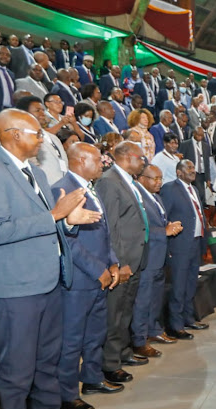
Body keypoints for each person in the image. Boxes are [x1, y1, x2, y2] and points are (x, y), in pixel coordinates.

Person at [0, 109, 101, 409]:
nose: (43, 140)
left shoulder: (38, 173)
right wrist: (55, 215)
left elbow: (49, 225)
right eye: (37, 134)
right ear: (13, 135)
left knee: (47, 356)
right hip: (17, 287)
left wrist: (69, 222)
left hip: (49, 279)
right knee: (17, 365)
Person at [51, 142, 124, 409]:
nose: (103, 162)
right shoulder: (62, 188)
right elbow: (68, 242)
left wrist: (113, 261)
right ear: (81, 160)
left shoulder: (91, 188)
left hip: (99, 278)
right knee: (72, 340)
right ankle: (67, 394)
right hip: (79, 280)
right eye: (97, 158)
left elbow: (103, 233)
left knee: (95, 333)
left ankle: (92, 379)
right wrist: (98, 269)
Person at [94, 141, 150, 385]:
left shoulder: (129, 180)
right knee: (115, 315)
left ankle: (123, 353)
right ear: (127, 156)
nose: (144, 162)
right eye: (141, 158)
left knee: (125, 311)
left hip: (136, 258)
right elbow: (111, 226)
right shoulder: (109, 181)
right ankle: (110, 364)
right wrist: (119, 261)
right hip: (124, 260)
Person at [132, 164, 183, 352]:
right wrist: (164, 231)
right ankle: (139, 339)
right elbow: (138, 228)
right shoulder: (138, 198)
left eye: (161, 178)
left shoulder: (157, 198)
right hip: (147, 257)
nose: (159, 182)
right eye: (155, 178)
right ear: (142, 178)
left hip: (160, 257)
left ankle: (154, 329)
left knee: (155, 298)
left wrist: (169, 225)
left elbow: (159, 222)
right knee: (143, 300)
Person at [160, 160, 210, 339]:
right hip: (179, 245)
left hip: (195, 243)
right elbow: (164, 217)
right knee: (178, 286)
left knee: (190, 284)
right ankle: (176, 325)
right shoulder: (170, 189)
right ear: (178, 172)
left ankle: (188, 318)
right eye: (188, 168)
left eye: (193, 167)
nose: (193, 170)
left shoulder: (194, 189)